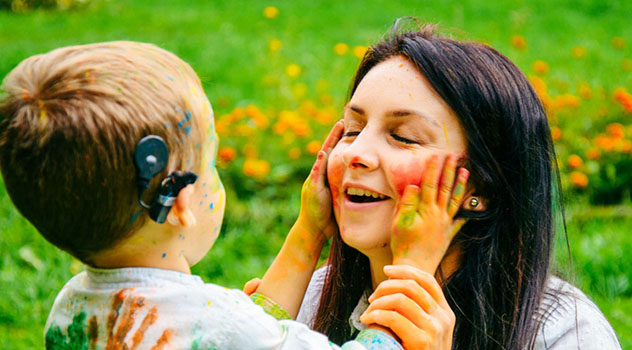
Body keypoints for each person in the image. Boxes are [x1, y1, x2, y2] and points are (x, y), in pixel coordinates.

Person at [0, 40, 434, 349]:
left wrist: (308, 233)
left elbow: (251, 334)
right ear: (182, 200)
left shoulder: (71, 308)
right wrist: (412, 271)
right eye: (210, 165)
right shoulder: (218, 321)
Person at [285, 22, 621, 349]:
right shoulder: (310, 298)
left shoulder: (563, 332)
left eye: (404, 137)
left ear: (482, 188)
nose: (356, 153)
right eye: (353, 130)